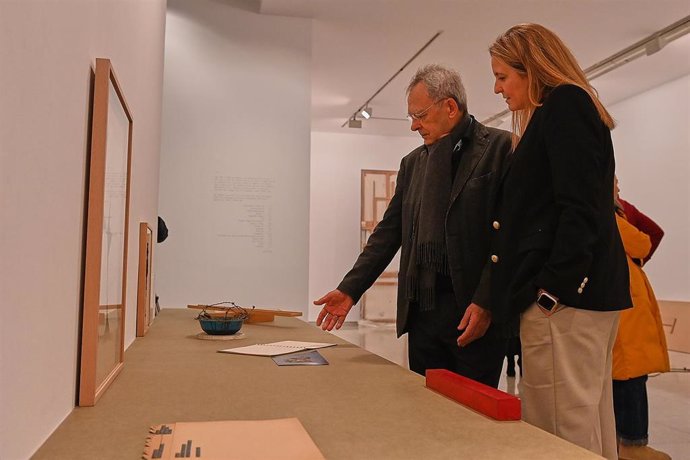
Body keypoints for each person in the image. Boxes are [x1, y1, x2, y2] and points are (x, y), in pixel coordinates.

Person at [314, 64, 513, 387]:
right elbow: (389, 233)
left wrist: (486, 302)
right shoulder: (414, 163)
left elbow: (507, 237)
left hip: (474, 314)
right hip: (423, 311)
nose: (413, 126)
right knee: (427, 414)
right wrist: (351, 289)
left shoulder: (501, 149)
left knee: (473, 419)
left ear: (450, 107)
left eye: (419, 115)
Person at [487, 24, 632, 459]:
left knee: (557, 432)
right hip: (579, 302)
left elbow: (581, 209)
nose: (497, 88)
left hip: (566, 305)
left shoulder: (565, 105)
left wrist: (553, 290)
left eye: (502, 76)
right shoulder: (565, 108)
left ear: (530, 69)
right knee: (586, 424)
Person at [613, 180, 671, 460]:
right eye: (614, 184)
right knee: (630, 379)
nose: (619, 189)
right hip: (626, 316)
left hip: (627, 311)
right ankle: (632, 445)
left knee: (628, 378)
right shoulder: (611, 214)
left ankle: (625, 442)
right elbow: (644, 240)